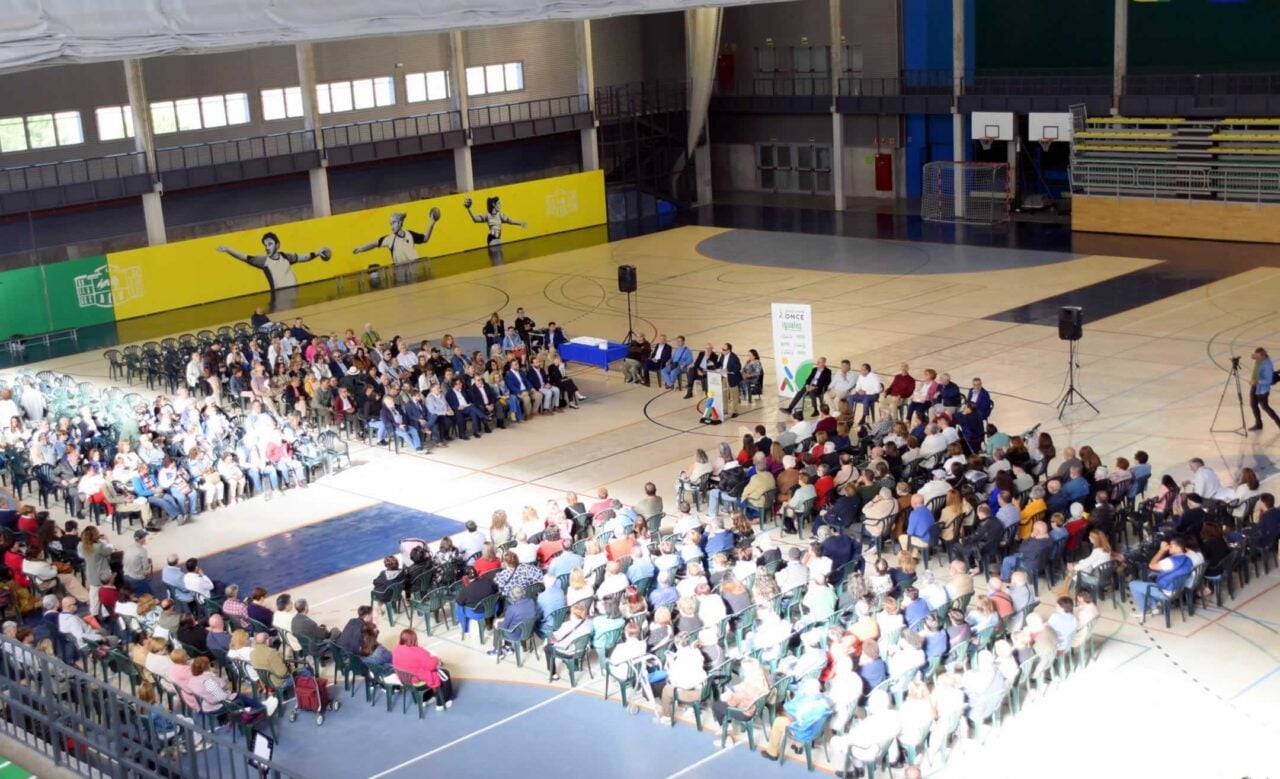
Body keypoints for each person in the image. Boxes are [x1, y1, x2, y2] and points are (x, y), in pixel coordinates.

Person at [760, 677, 832, 761]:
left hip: (804, 732)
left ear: (809, 690)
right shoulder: (824, 699)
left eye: (804, 687)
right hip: (817, 730)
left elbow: (788, 707)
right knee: (791, 718)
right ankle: (798, 745)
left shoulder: (806, 702)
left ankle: (772, 753)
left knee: (778, 721)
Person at [391, 629, 454, 710]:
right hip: (417, 681)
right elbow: (431, 666)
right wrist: (436, 659)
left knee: (422, 672)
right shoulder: (417, 651)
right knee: (444, 673)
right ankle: (441, 703)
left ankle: (425, 699)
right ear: (414, 639)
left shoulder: (397, 649)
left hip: (405, 680)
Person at [1248, 347, 1280, 431]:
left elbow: (1268, 381)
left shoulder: (1267, 365)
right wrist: (1254, 357)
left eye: (1258, 357)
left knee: (1265, 407)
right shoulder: (1260, 360)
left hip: (1262, 389)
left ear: (1263, 356)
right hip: (1255, 386)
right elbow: (1257, 362)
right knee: (1253, 405)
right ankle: (1259, 424)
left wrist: (1257, 382)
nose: (1256, 358)